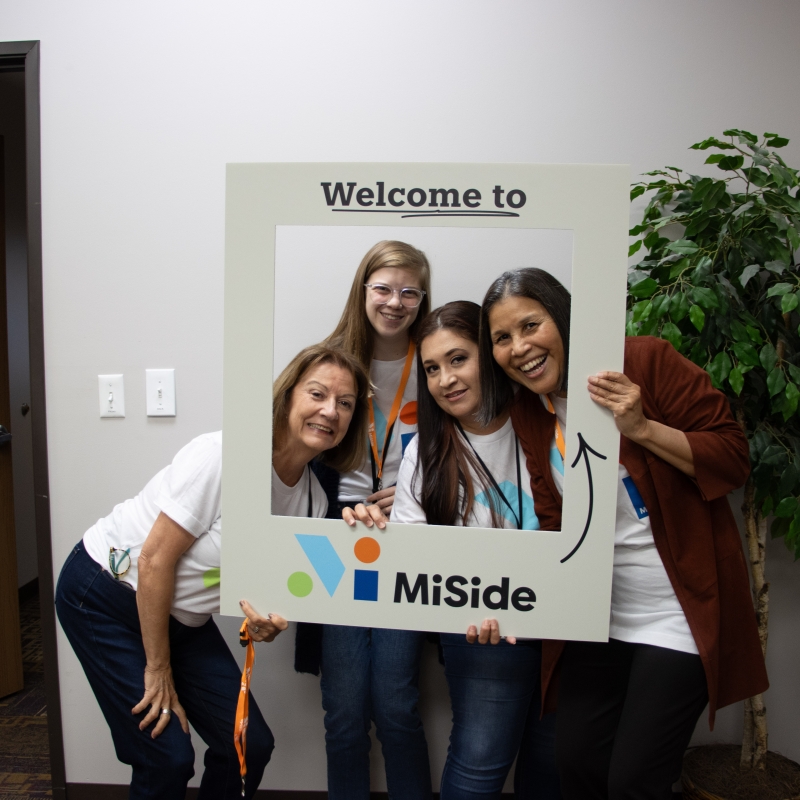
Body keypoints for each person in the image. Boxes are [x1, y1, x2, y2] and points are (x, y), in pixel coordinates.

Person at [478, 268, 769, 800]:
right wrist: (508, 598)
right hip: (597, 615)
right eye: (502, 338)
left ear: (563, 319)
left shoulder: (644, 361)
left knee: (633, 781)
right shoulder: (528, 411)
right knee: (577, 765)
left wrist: (641, 429)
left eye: (531, 325)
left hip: (677, 613)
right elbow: (551, 525)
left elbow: (733, 457)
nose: (520, 347)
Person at [55, 343, 369, 800]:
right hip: (106, 594)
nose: (330, 411)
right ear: (287, 397)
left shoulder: (313, 503)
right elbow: (154, 560)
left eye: (344, 404)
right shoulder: (225, 455)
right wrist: (157, 669)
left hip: (182, 621)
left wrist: (266, 622)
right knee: (167, 756)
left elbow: (270, 590)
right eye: (317, 394)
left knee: (248, 744)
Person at [352, 301, 560, 800]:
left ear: (488, 355)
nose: (444, 379)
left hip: (563, 626)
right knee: (478, 767)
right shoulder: (424, 451)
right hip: (480, 633)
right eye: (431, 369)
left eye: (458, 359)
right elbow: (411, 559)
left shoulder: (548, 420)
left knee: (552, 768)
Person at [303, 240, 434, 800]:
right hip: (337, 544)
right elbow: (299, 445)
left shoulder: (436, 358)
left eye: (409, 291)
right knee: (344, 712)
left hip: (405, 541)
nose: (395, 301)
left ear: (423, 299)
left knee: (398, 705)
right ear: (362, 291)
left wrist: (409, 498)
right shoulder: (329, 360)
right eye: (383, 288)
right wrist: (342, 507)